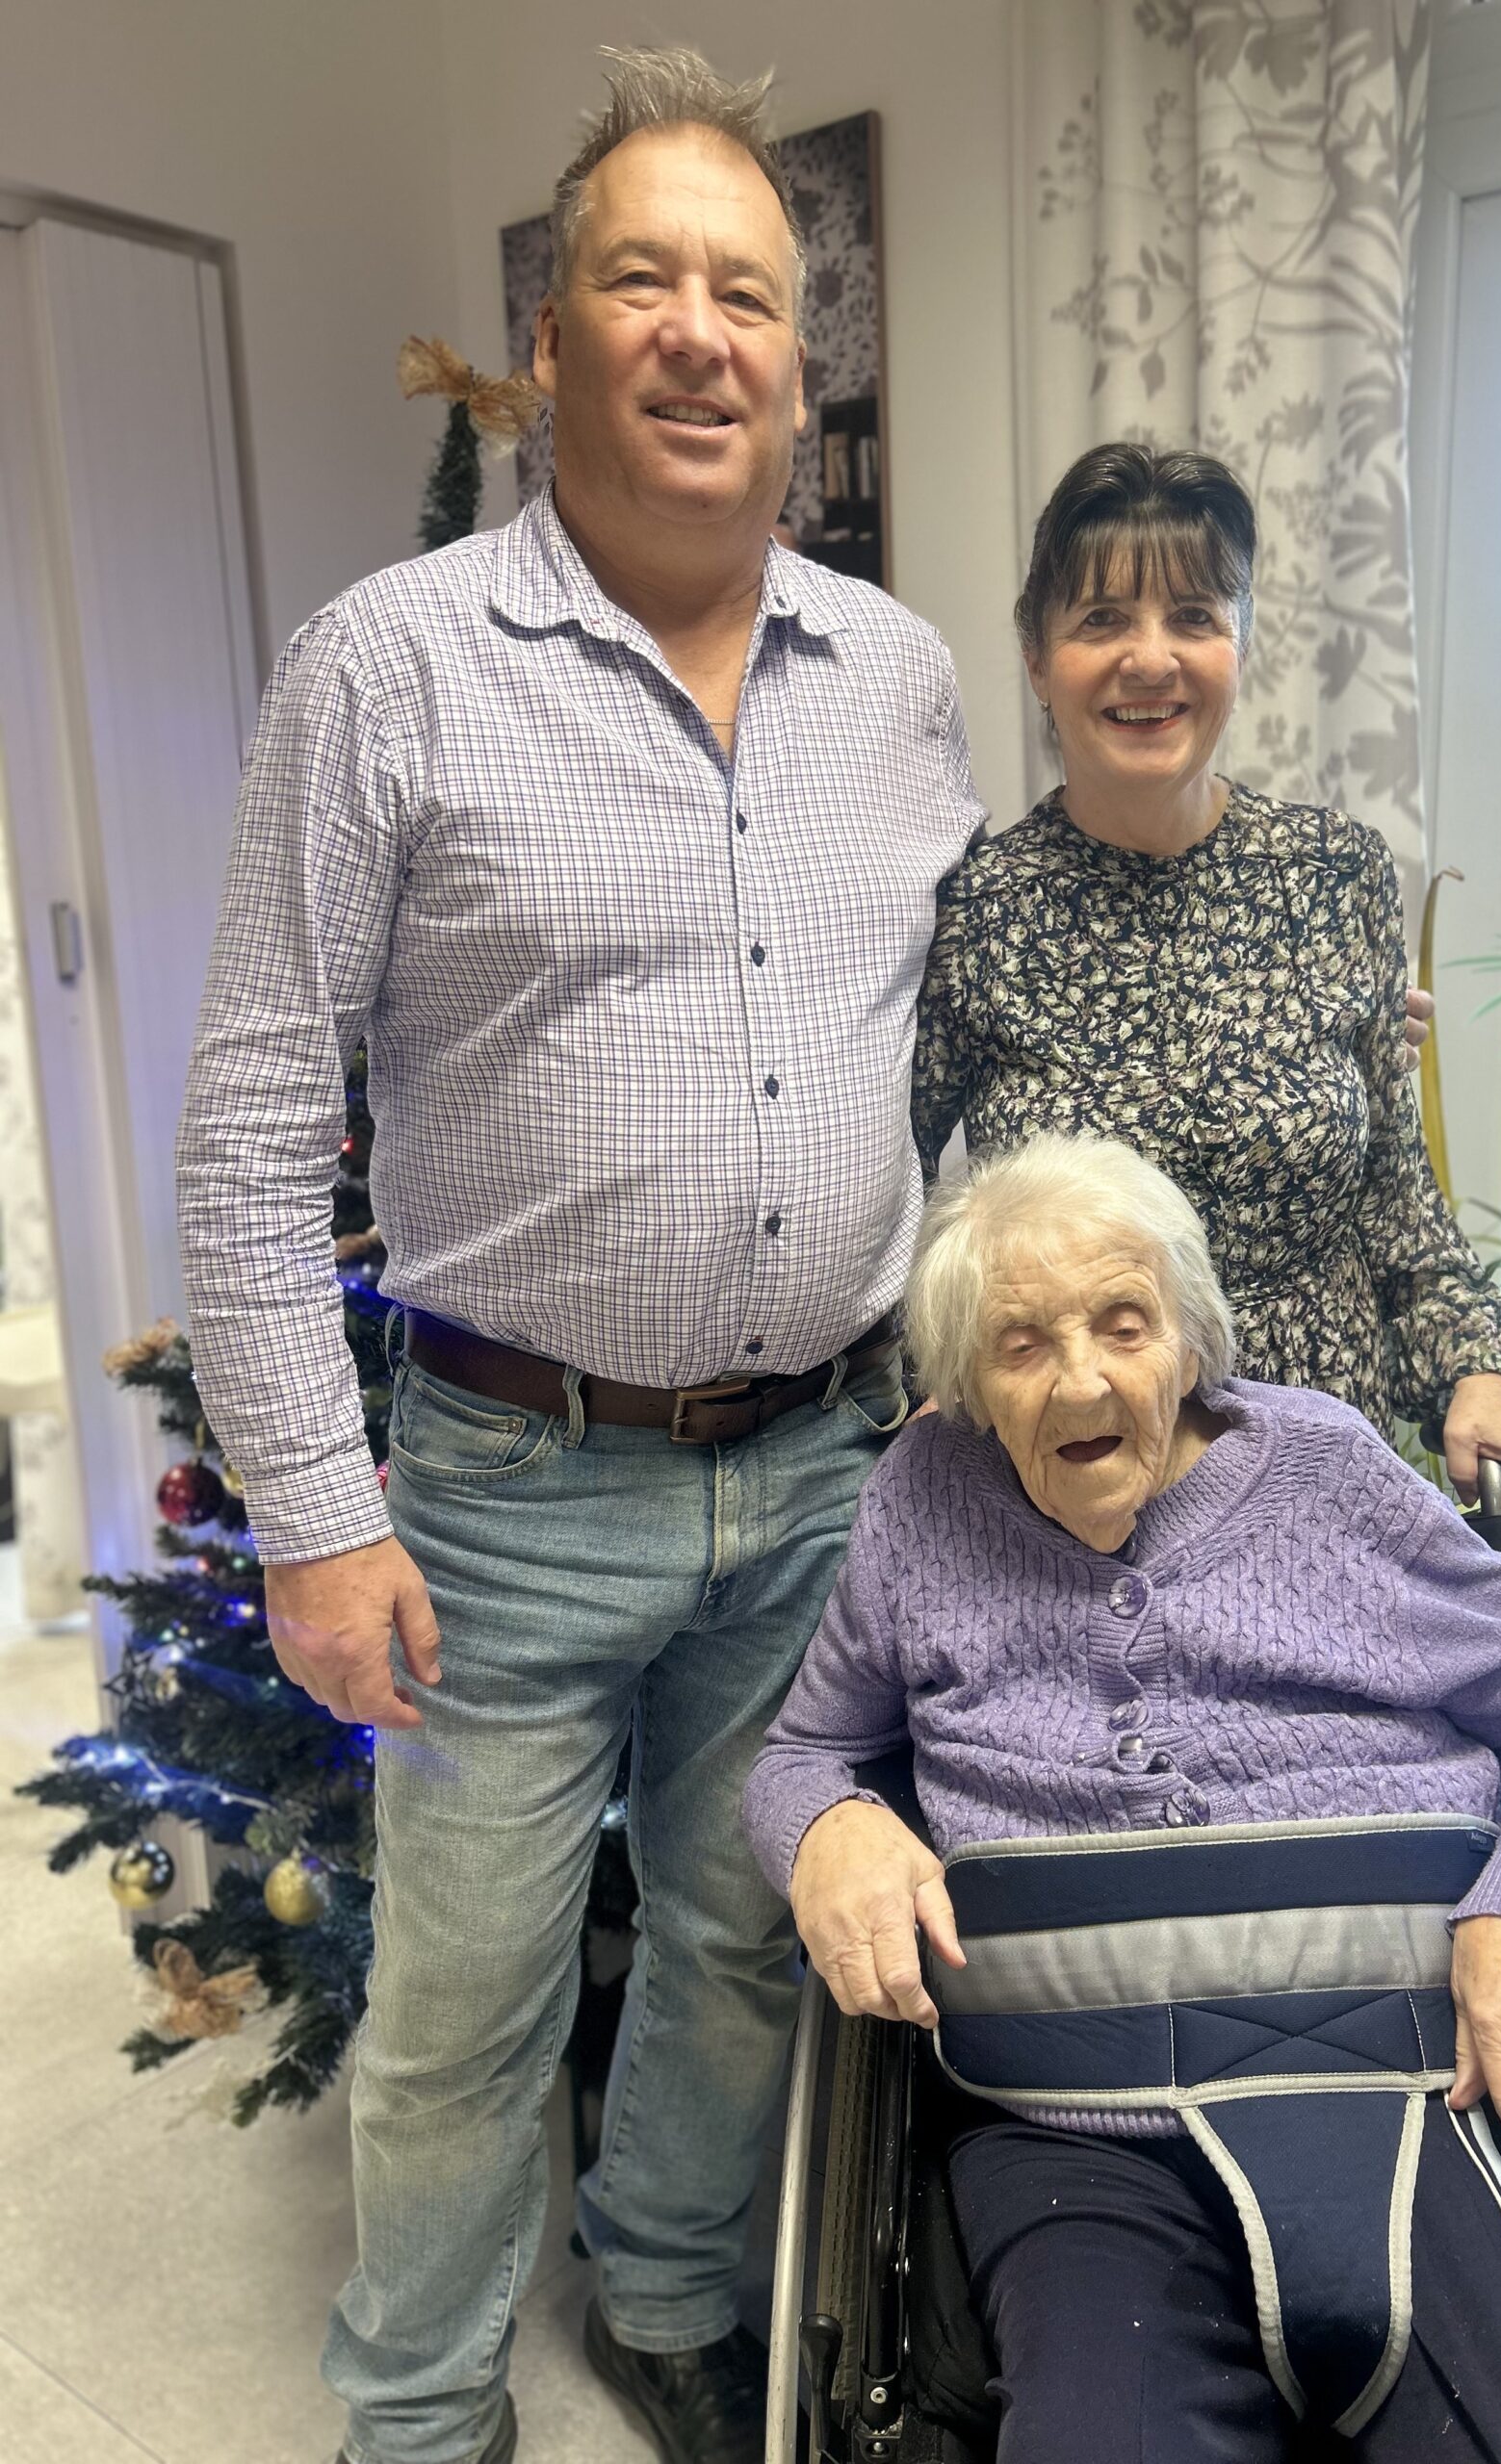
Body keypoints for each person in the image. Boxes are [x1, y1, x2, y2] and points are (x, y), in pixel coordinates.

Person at [176, 48, 987, 2464]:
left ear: (803, 371)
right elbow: (251, 1116)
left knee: (738, 1938)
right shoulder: (387, 663)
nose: (701, 332)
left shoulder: (903, 681)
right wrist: (311, 1516)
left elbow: (940, 1049)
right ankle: (423, 2402)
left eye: (750, 292)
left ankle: (661, 2289)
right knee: (461, 2006)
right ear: (552, 340)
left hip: (821, 1466)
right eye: (646, 278)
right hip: (505, 1491)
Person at [745, 1132, 1501, 2464]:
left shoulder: (1328, 1470)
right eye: (1020, 1346)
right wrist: (827, 1828)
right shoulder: (920, 1501)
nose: (1082, 1380)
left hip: (1430, 2072)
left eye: (1125, 1325)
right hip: (1077, 2129)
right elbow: (801, 1756)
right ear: (965, 1387)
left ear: (1188, 1339)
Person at [912, 445, 1501, 1559]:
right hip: (1081, 1491)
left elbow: (1395, 1190)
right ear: (1037, 658)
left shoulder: (1337, 873)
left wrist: (1475, 1370)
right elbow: (891, 1204)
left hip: (1324, 1477)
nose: (1149, 659)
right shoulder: (977, 908)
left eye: (1194, 616)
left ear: (1241, 645)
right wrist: (932, 1381)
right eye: (1102, 618)